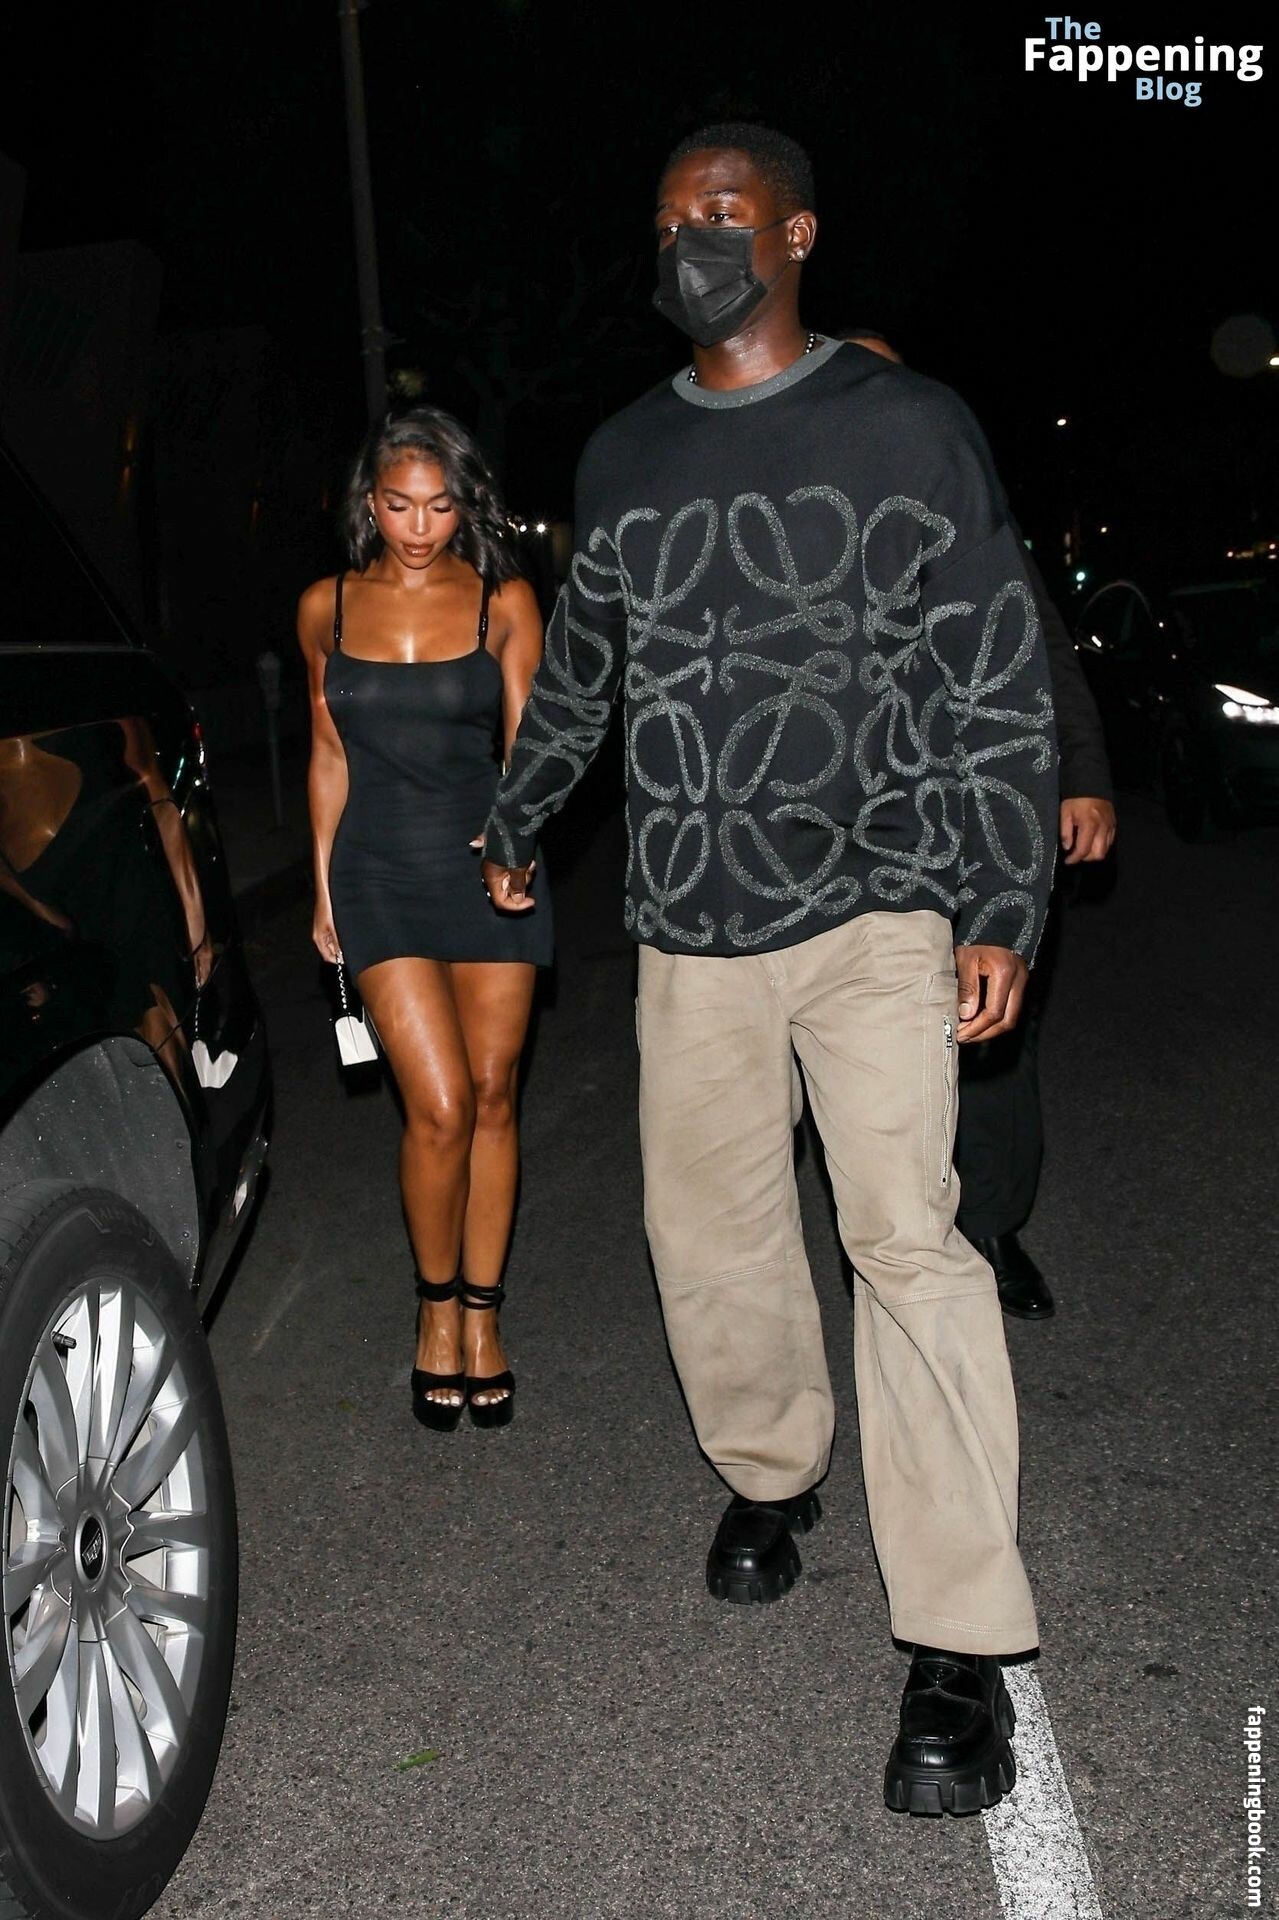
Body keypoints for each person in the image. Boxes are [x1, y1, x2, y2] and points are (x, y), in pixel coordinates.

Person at [481, 124, 1058, 1815]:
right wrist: (519, 812)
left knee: (906, 1243)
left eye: (720, 216)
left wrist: (997, 900)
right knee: (708, 1236)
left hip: (878, 905)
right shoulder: (622, 454)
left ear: (795, 234)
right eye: (668, 221)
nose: (690, 245)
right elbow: (583, 666)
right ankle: (772, 1469)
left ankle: (955, 1640)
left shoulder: (903, 425)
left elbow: (989, 669)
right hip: (687, 922)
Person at [843, 328, 1118, 1320]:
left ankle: (993, 1229)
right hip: (865, 830)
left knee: (991, 1026)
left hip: (985, 811)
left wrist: (1082, 776)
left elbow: (1041, 646)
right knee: (866, 1038)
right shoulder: (804, 513)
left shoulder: (960, 503)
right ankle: (887, 1232)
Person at [298, 407, 551, 1432]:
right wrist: (321, 888)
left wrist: (515, 844)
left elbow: (530, 748)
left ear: (463, 506)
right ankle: (433, 1305)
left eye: (439, 507)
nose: (418, 527)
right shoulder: (325, 607)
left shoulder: (502, 601)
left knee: (492, 1097)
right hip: (376, 874)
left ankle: (483, 1317)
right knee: (438, 1104)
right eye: (399, 505)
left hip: (486, 874)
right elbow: (326, 753)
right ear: (369, 501)